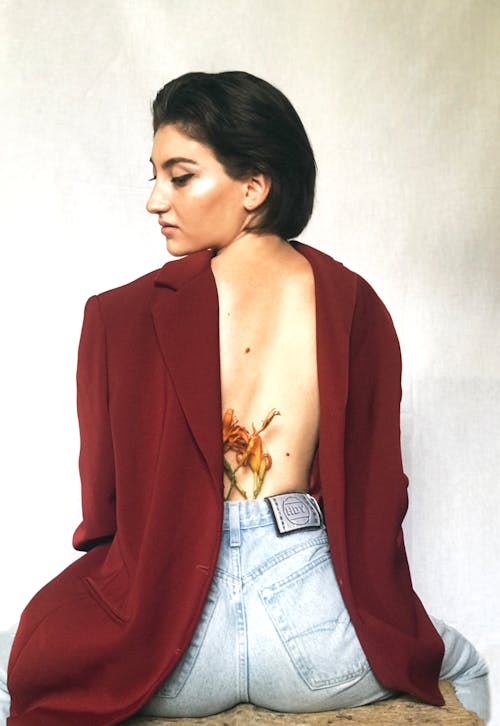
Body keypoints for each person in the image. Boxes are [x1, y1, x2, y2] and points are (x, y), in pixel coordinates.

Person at [0, 71, 490, 725]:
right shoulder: (355, 305)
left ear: (254, 187)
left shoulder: (116, 316)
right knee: (466, 667)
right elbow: (379, 501)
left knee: (15, 669)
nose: (154, 200)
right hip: (314, 639)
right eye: (154, 175)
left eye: (179, 176)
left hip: (165, 649)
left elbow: (104, 520)